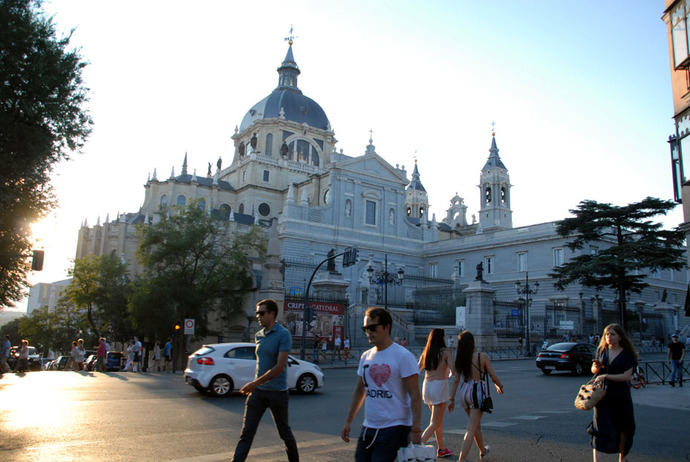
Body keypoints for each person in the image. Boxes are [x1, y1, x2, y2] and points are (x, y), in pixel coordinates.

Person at [341, 307, 422, 461]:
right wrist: (348, 421)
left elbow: (415, 395)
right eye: (365, 329)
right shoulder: (366, 356)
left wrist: (416, 428)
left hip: (395, 427)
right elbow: (360, 391)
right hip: (369, 426)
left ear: (387, 327)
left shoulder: (403, 356)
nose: (368, 332)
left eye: (372, 328)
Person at [232, 299, 298, 462]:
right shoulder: (258, 335)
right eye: (257, 313)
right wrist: (256, 385)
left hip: (277, 393)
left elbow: (279, 367)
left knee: (284, 433)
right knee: (246, 433)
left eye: (261, 313)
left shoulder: (283, 334)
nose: (258, 316)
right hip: (259, 393)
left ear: (272, 314)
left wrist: (254, 383)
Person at [449, 330, 504, 462]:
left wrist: (451, 398)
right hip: (477, 392)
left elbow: (456, 379)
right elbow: (492, 375)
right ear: (473, 343)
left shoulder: (461, 358)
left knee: (475, 425)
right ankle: (461, 460)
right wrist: (499, 385)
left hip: (465, 391)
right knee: (471, 427)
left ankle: (483, 451)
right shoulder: (482, 356)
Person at [590, 323, 637, 462]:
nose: (609, 337)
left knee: (623, 427)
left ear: (620, 337)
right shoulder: (602, 351)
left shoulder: (627, 354)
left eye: (612, 334)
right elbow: (594, 371)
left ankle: (622, 458)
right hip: (602, 395)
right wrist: (595, 367)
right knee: (599, 427)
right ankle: (596, 460)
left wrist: (606, 376)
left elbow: (626, 376)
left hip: (620, 395)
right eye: (607, 334)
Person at [418, 328, 456, 458]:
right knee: (435, 422)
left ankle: (441, 448)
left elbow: (417, 369)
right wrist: (450, 373)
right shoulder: (445, 352)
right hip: (439, 386)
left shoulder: (426, 352)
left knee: (436, 420)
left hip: (427, 386)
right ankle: (416, 446)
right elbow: (453, 369)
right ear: (442, 338)